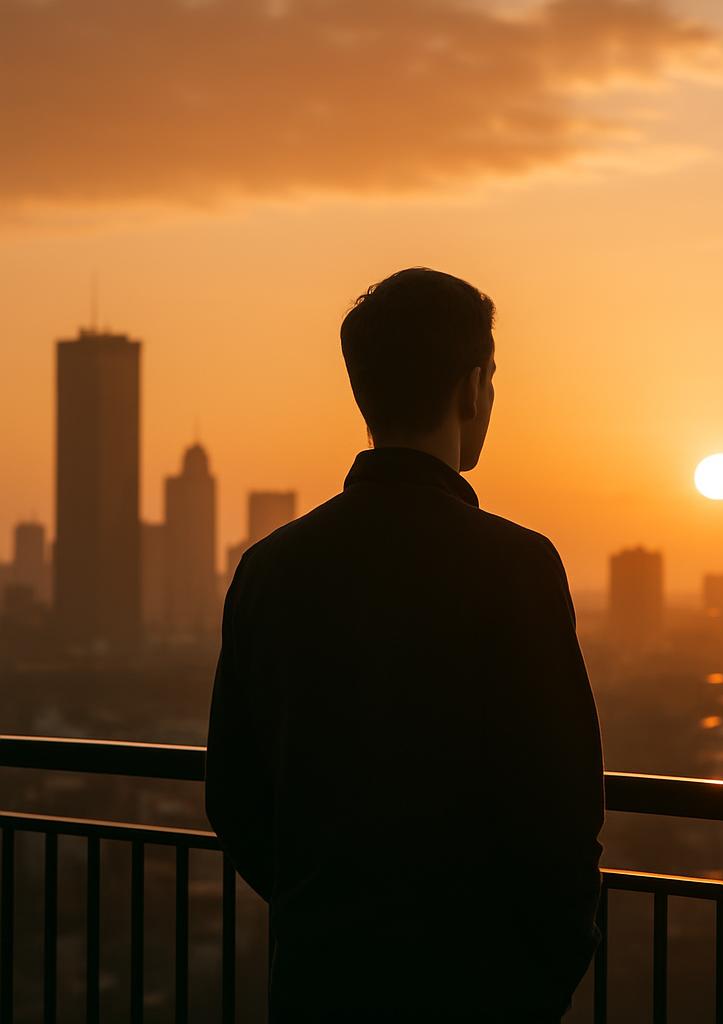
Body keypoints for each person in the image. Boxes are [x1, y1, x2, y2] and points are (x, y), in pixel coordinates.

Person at [205, 267, 605, 1022]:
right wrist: (544, 972)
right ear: (472, 386)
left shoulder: (271, 568)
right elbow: (565, 808)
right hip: (479, 988)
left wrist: (318, 904)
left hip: (321, 982)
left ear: (365, 391)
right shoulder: (518, 565)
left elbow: (232, 795)